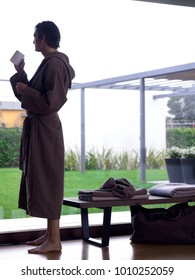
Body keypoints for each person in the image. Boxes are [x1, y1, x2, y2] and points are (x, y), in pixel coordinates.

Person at [10, 21, 75, 254]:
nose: (33, 41)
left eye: (35, 37)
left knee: (49, 180)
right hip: (41, 129)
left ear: (44, 39)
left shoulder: (56, 65)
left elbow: (52, 102)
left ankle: (55, 240)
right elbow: (34, 97)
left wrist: (27, 91)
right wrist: (21, 76)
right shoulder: (48, 64)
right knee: (43, 178)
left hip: (46, 130)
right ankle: (50, 235)